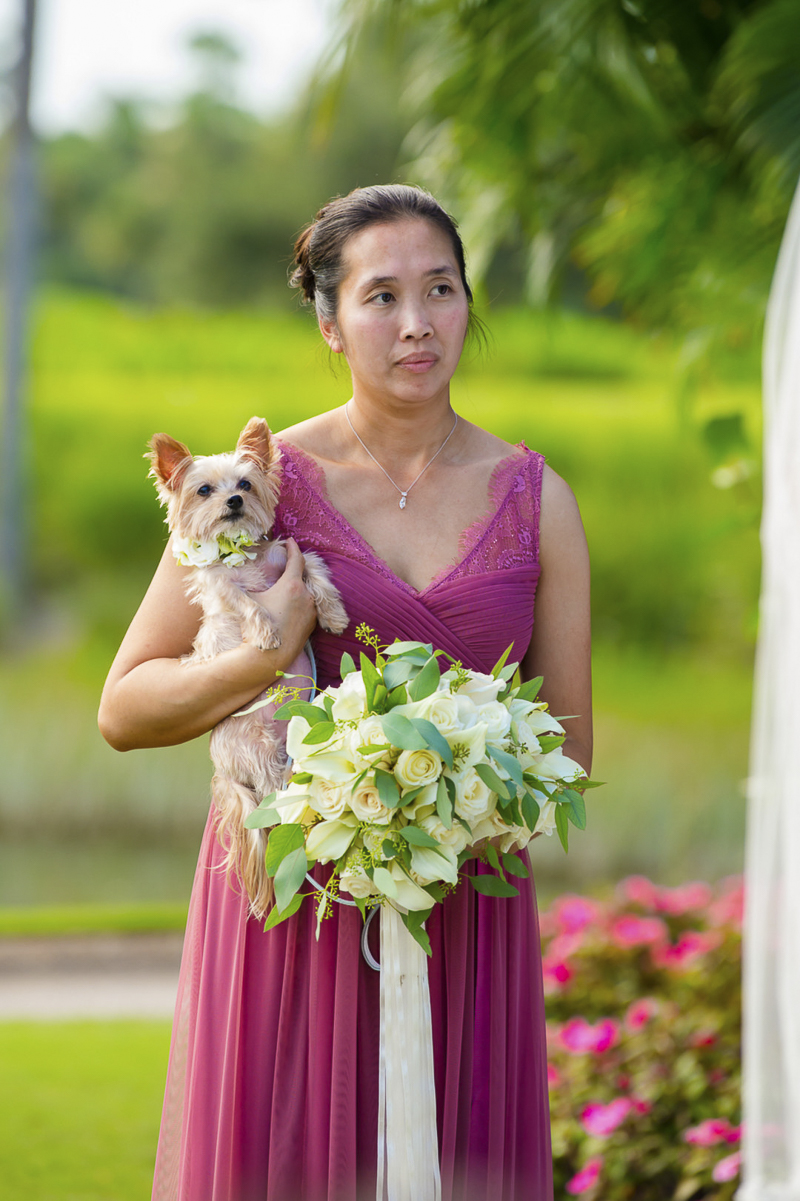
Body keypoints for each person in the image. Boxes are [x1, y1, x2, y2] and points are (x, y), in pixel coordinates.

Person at [99, 183, 592, 1201]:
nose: (415, 323)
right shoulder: (264, 482)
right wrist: (260, 654)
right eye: (380, 296)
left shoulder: (537, 498)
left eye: (440, 289)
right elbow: (125, 705)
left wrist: (445, 798)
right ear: (328, 322)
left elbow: (571, 747)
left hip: (464, 905)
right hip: (294, 906)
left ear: (467, 303)